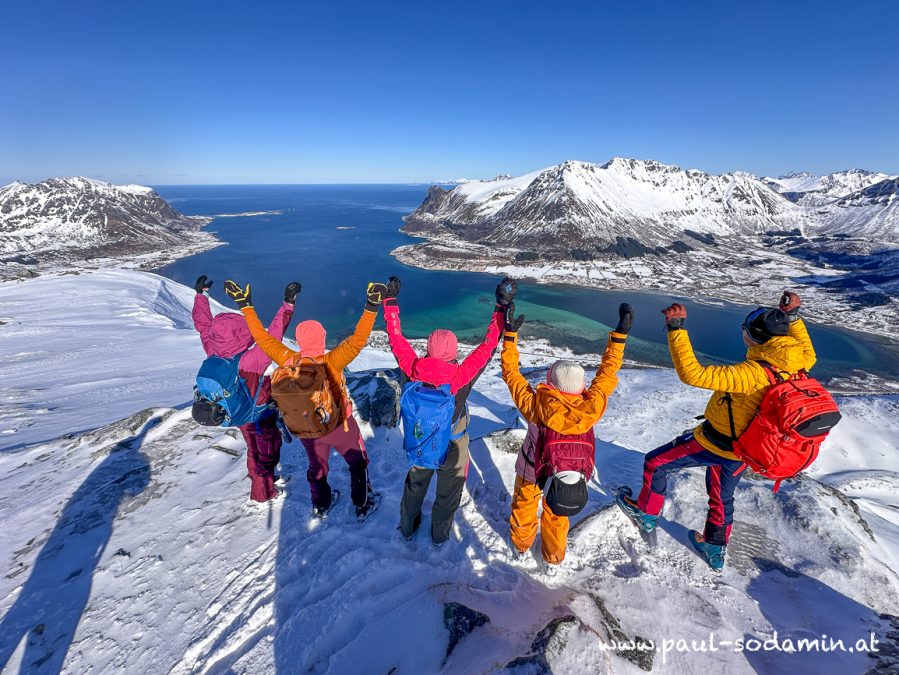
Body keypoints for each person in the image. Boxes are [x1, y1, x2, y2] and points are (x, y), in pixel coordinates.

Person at [616, 291, 816, 570]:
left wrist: (676, 329)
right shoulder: (802, 360)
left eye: (745, 330)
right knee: (722, 496)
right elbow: (803, 342)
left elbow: (693, 374)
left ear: (757, 338)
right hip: (746, 449)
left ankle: (645, 512)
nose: (742, 333)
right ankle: (714, 546)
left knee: (656, 463)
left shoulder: (752, 374)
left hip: (715, 442)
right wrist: (791, 316)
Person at [224, 278, 387, 520]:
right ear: (322, 339)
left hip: (306, 428)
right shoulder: (333, 360)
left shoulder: (288, 360)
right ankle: (362, 504)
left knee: (317, 469)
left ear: (300, 341)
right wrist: (372, 305)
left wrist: (246, 306)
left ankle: (320, 505)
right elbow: (358, 339)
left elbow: (263, 339)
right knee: (358, 462)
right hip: (340, 424)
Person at [502, 301, 632, 569]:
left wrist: (510, 337)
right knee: (557, 514)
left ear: (550, 382)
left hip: (530, 469)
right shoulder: (591, 407)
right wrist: (619, 337)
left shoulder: (537, 405)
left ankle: (521, 547)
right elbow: (607, 375)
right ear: (580, 386)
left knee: (525, 507)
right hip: (570, 473)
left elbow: (511, 374)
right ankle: (553, 558)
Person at [385, 275, 512, 546]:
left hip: (421, 437)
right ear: (453, 352)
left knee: (415, 485)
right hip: (453, 441)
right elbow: (488, 346)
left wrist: (390, 302)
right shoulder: (460, 375)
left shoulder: (413, 368)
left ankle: (407, 528)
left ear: (428, 349)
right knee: (448, 493)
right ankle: (440, 535)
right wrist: (500, 307)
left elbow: (395, 338)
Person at [192, 274, 298, 504]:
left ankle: (256, 474)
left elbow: (202, 324)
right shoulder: (250, 360)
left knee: (253, 447)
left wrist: (201, 295)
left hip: (234, 411)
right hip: (257, 413)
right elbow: (274, 337)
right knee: (267, 451)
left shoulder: (213, 349)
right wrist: (287, 304)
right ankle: (262, 491)